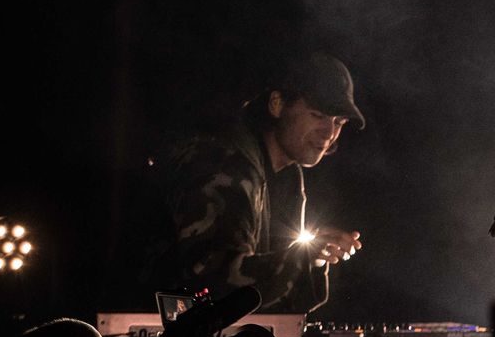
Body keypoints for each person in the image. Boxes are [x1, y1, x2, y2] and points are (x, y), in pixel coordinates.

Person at [140, 51, 366, 312]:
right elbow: (213, 281)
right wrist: (302, 259)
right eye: (317, 115)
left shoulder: (288, 177)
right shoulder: (225, 159)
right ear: (277, 104)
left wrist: (314, 260)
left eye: (339, 121)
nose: (329, 132)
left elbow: (282, 303)